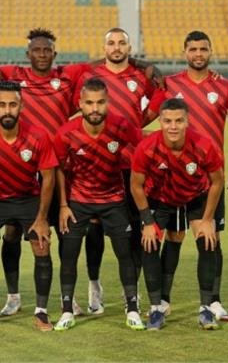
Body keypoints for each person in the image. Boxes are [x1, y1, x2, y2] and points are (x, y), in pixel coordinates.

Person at [0, 28, 161, 316]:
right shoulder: (13, 74)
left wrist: (140, 64)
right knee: (12, 231)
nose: (42, 54)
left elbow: (107, 61)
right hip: (24, 168)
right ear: (28, 53)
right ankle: (13, 296)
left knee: (66, 233)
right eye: (36, 50)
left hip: (61, 168)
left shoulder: (68, 75)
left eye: (47, 50)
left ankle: (71, 296)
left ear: (55, 53)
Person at [143, 31, 228, 321]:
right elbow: (146, 118)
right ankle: (163, 301)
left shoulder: (226, 87)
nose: (198, 54)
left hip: (208, 180)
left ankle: (213, 301)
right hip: (172, 179)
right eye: (193, 49)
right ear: (184, 52)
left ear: (211, 51)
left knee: (210, 236)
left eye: (203, 49)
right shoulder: (169, 85)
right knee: (174, 236)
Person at [0, 81, 57, 332]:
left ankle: (41, 312)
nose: (7, 110)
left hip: (28, 198)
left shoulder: (38, 136)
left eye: (13, 105)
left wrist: (42, 218)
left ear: (21, 106)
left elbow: (48, 178)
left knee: (41, 243)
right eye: (2, 105)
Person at [53, 78, 143, 331]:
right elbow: (58, 169)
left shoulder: (121, 126)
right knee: (69, 255)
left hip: (113, 201)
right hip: (78, 202)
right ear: (80, 103)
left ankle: (132, 308)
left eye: (100, 102)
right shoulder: (66, 133)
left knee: (125, 254)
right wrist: (63, 205)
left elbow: (143, 152)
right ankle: (67, 310)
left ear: (108, 102)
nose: (95, 108)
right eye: (89, 103)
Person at [130, 98, 225, 330]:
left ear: (187, 121)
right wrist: (147, 221)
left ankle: (206, 309)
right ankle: (157, 308)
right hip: (159, 198)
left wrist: (207, 220)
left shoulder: (203, 144)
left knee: (207, 241)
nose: (173, 126)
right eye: (168, 121)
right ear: (160, 122)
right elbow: (136, 185)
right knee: (150, 243)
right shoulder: (147, 147)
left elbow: (217, 181)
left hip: (195, 196)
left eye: (179, 121)